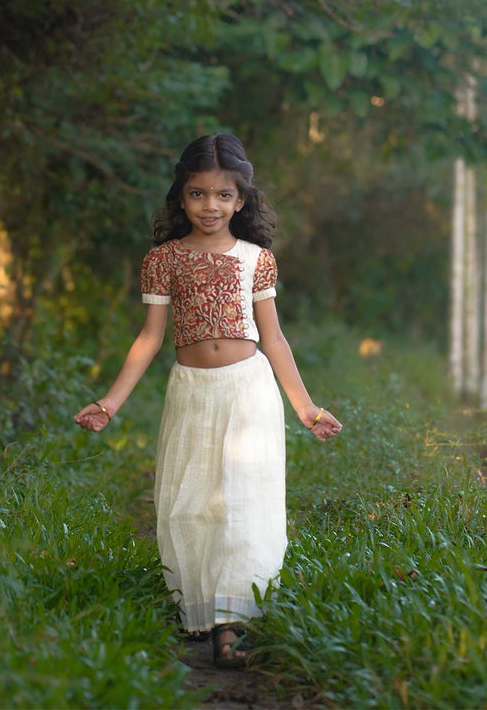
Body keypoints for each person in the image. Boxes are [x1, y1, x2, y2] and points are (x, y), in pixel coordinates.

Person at [74, 134, 342, 668]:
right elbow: (150, 338)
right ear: (180, 198)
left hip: (248, 389)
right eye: (198, 194)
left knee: (244, 505)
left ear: (241, 200)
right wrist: (109, 403)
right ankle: (201, 610)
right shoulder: (163, 260)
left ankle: (231, 624)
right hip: (192, 393)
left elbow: (275, 339)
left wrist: (307, 409)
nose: (210, 206)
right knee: (191, 502)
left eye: (223, 195)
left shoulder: (256, 260)